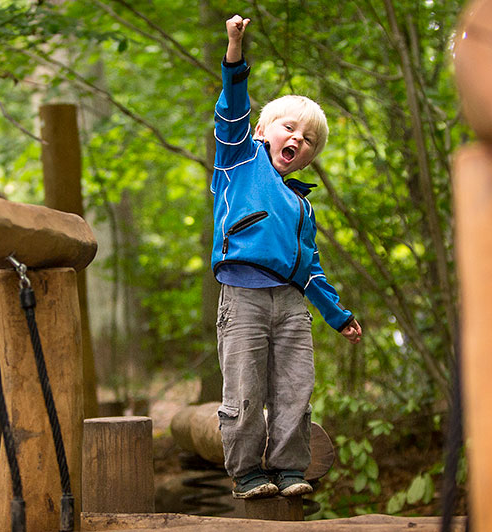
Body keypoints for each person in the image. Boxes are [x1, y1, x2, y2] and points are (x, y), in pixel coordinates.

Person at [209, 14, 363, 500]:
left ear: (310, 156)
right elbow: (231, 108)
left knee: (295, 390)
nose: (297, 139)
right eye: (288, 128)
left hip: (292, 306)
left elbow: (310, 266)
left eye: (308, 139)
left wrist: (338, 315)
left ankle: (290, 468)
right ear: (262, 130)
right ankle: (248, 472)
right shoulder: (239, 160)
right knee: (245, 391)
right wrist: (235, 48)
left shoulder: (302, 204)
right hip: (244, 298)